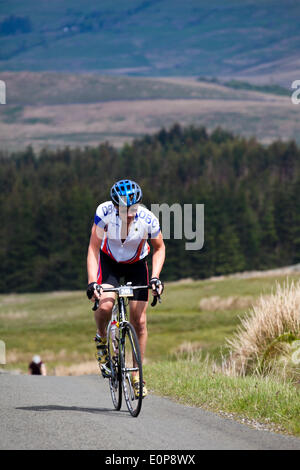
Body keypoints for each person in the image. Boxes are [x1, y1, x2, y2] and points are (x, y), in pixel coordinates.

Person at [86, 179, 165, 398]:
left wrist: (156, 277)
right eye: (123, 209)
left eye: (133, 209)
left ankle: (137, 375)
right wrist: (93, 282)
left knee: (139, 321)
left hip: (137, 265)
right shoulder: (104, 213)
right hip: (109, 262)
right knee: (104, 305)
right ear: (114, 206)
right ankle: (102, 339)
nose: (129, 214)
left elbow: (159, 248)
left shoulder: (148, 219)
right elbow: (93, 248)